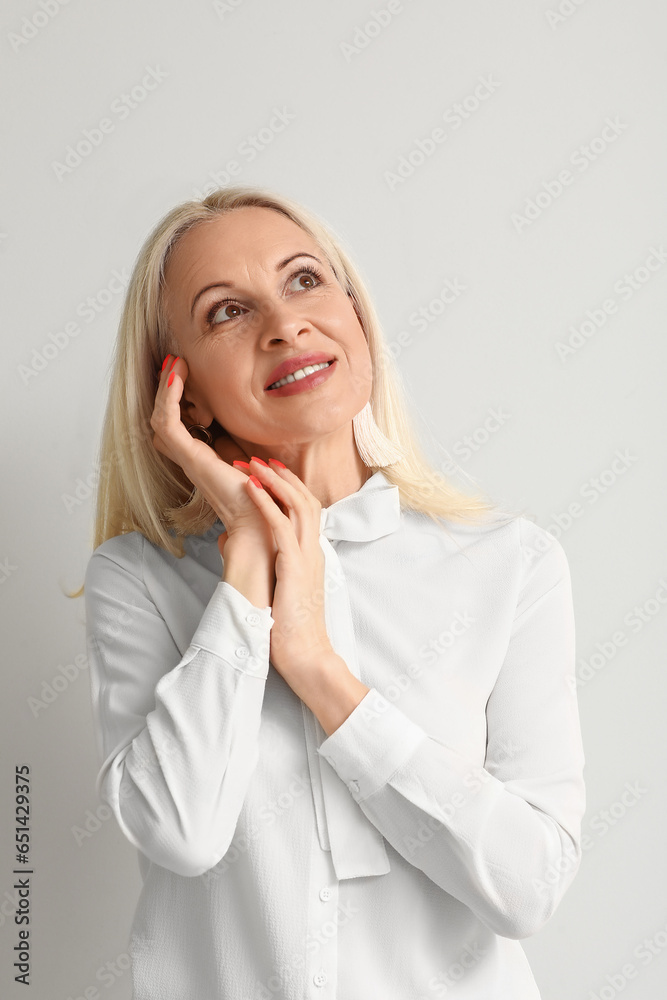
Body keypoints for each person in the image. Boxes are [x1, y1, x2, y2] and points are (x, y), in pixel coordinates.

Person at [82, 184, 586, 999]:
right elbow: (178, 831)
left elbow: (529, 886)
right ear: (183, 394)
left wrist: (318, 668)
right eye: (225, 312)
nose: (284, 324)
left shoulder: (510, 565)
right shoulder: (139, 581)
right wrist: (247, 567)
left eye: (305, 280)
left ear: (356, 317)